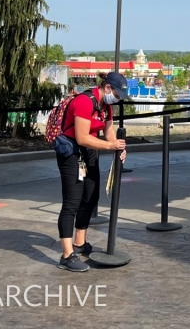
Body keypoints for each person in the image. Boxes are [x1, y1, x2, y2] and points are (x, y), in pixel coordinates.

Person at [56, 71, 128, 272]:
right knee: (72, 201)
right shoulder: (84, 101)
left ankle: (80, 242)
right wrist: (110, 147)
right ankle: (67, 255)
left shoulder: (106, 107)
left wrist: (119, 147)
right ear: (107, 88)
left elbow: (109, 131)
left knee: (91, 195)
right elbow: (82, 137)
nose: (118, 98)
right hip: (71, 151)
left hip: (89, 151)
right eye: (117, 93)